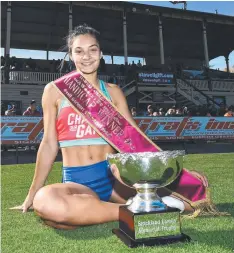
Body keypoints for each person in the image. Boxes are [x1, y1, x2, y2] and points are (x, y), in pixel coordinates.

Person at [11, 24, 207, 230]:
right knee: (46, 204)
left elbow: (136, 141)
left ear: (101, 53)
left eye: (92, 49)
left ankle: (119, 207)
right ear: (71, 55)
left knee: (188, 202)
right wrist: (32, 193)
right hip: (77, 183)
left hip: (116, 180)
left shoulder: (113, 92)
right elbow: (50, 143)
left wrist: (179, 174)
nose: (86, 56)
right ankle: (136, 210)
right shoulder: (55, 91)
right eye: (79, 51)